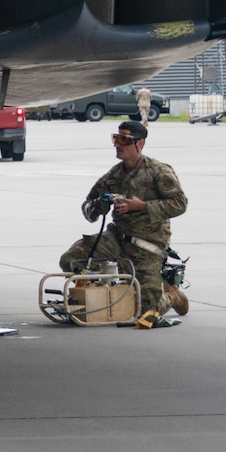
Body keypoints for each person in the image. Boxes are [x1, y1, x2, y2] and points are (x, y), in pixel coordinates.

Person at [57, 121, 189, 327]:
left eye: (125, 140)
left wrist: (142, 206)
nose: (118, 144)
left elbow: (180, 204)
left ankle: (171, 294)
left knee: (145, 312)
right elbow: (88, 208)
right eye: (116, 139)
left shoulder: (158, 171)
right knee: (71, 260)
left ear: (140, 143)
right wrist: (100, 205)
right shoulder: (113, 176)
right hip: (117, 239)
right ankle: (104, 296)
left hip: (147, 245)